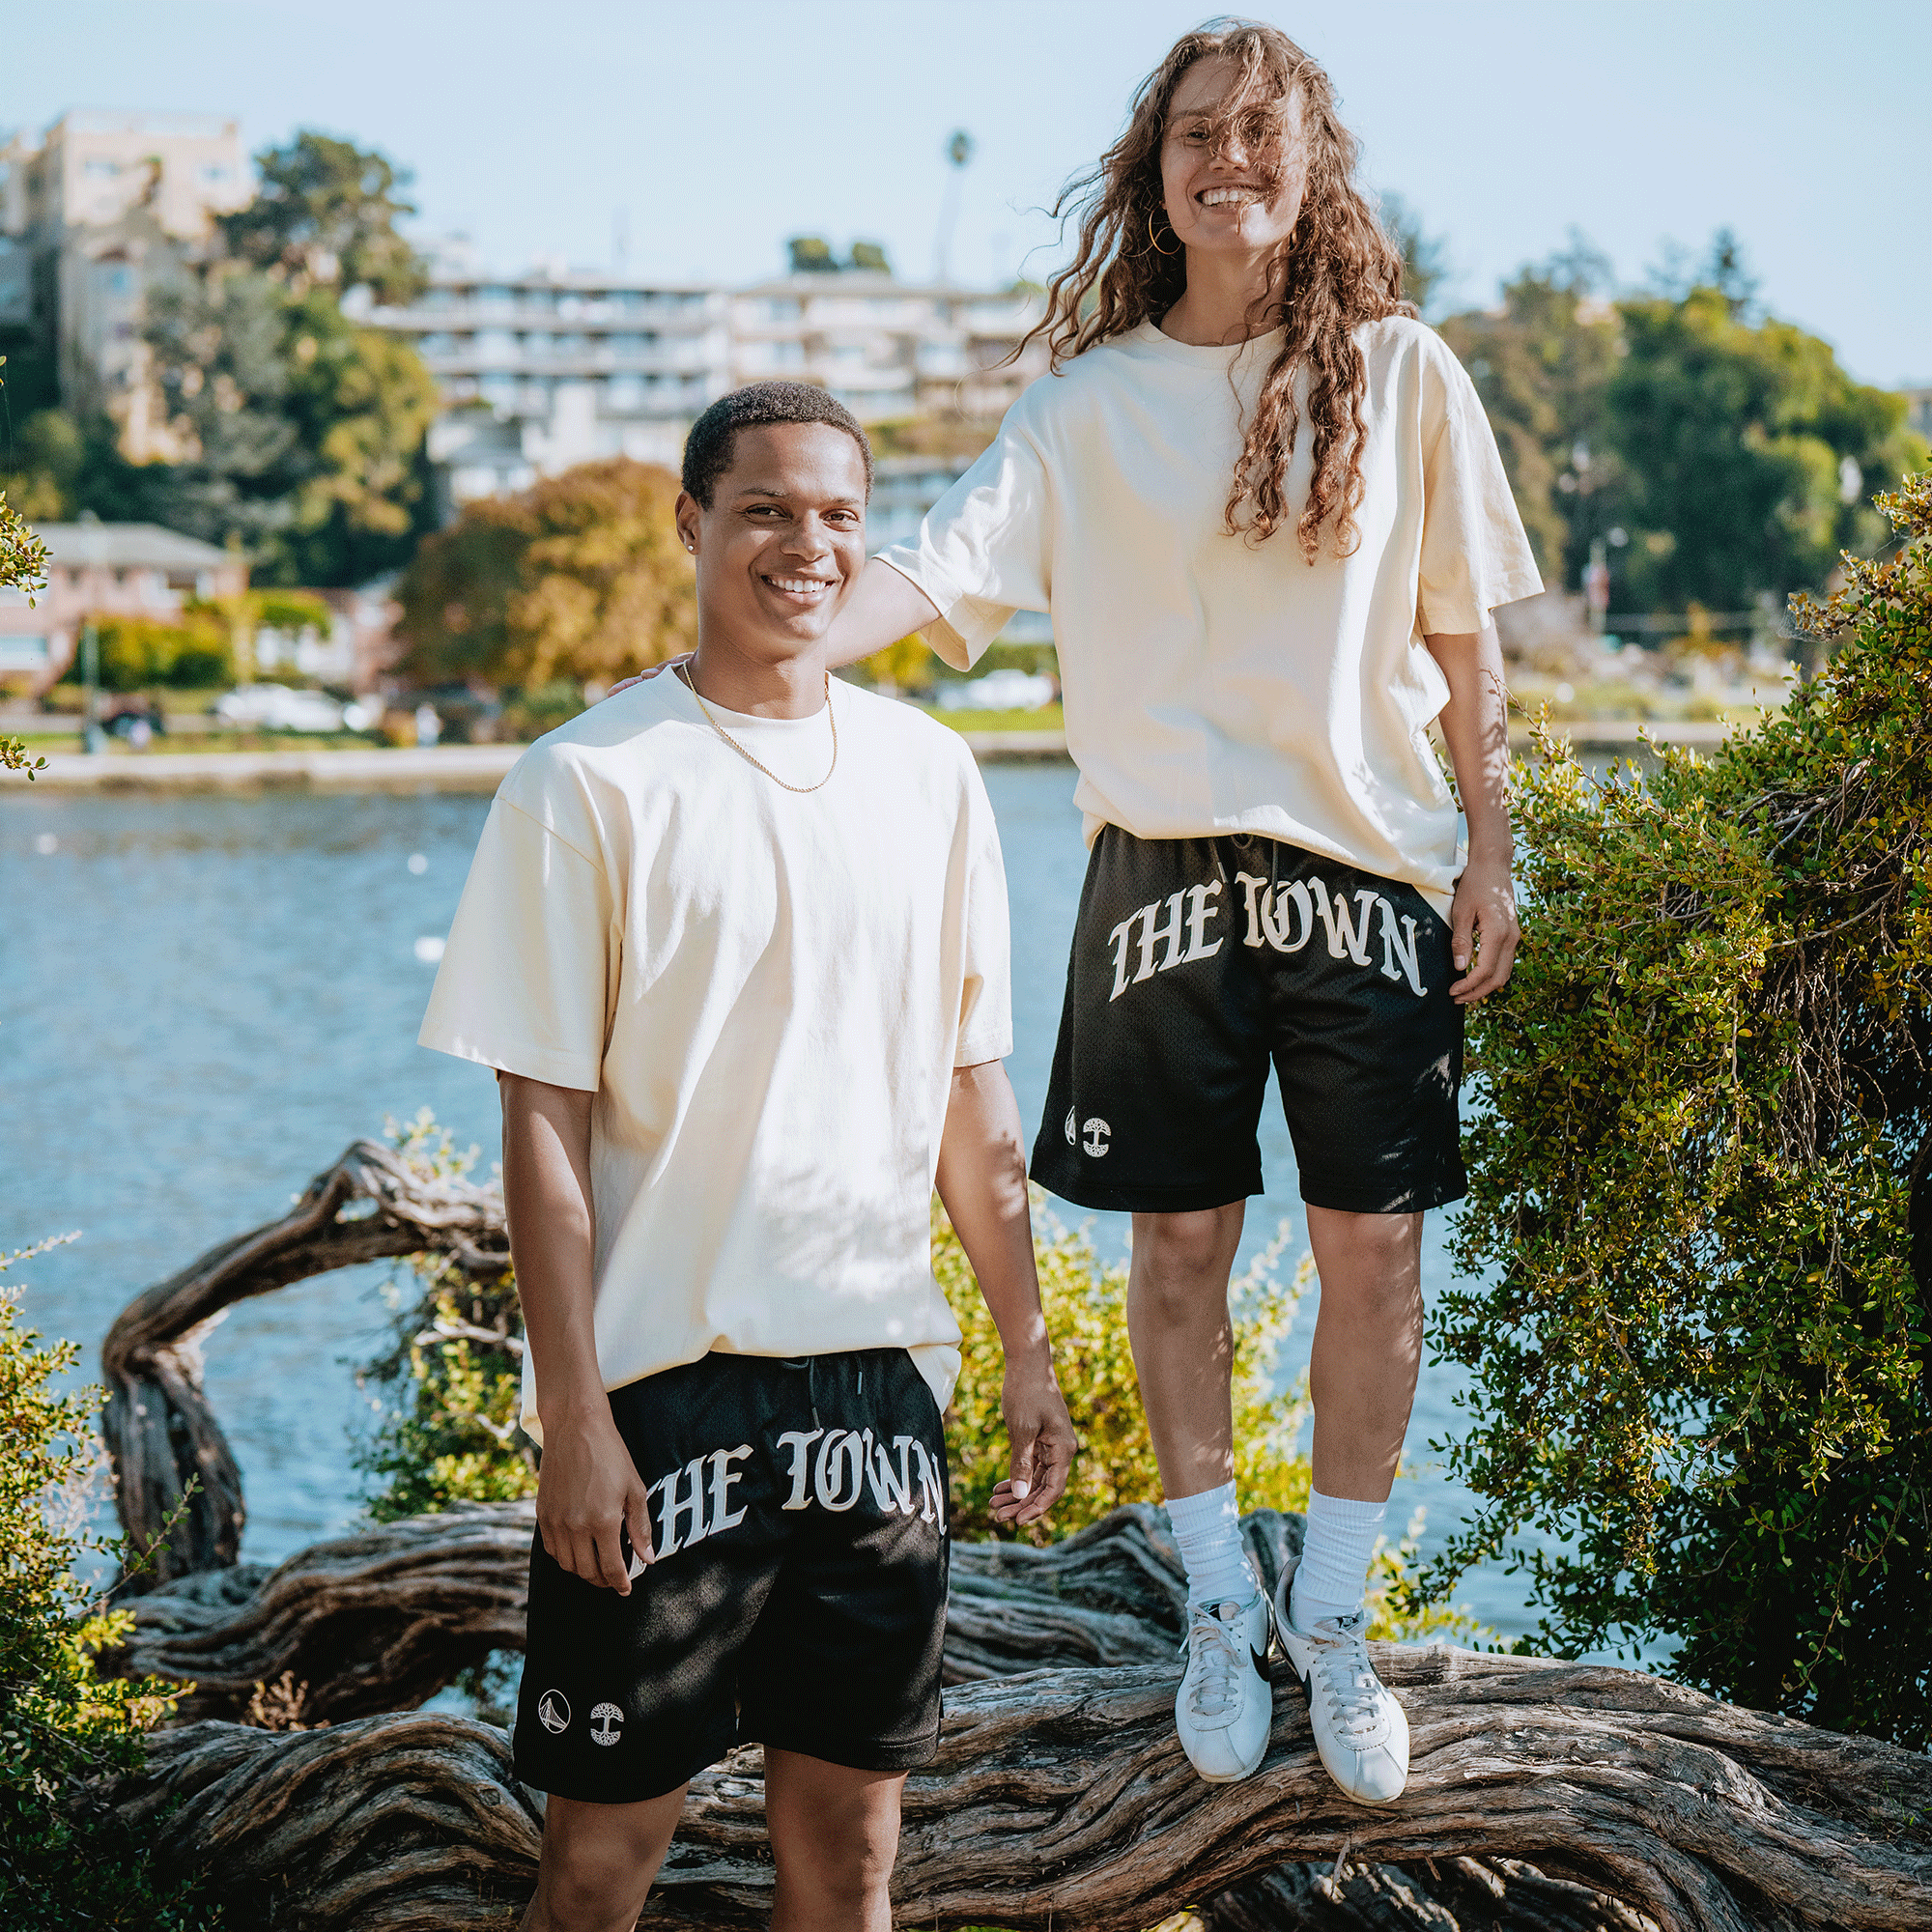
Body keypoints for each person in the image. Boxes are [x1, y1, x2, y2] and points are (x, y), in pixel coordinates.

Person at [615, 21, 1539, 1808]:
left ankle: (1331, 1626)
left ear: (1311, 166)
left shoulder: (1408, 374)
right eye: (1195, 135)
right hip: (1160, 879)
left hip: (1369, 874)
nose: (1225, 162)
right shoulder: (1083, 405)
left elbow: (1461, 641)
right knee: (1176, 1254)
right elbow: (929, 577)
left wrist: (1490, 846)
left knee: (1375, 1255)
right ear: (1156, 170)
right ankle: (1215, 1605)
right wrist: (760, 639)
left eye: (1258, 137)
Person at [421, 381, 1076, 1932]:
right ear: (695, 523)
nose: (809, 545)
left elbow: (967, 1093)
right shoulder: (586, 781)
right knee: (599, 1863)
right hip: (665, 1399)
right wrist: (570, 1411)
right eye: (770, 508)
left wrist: (1023, 1340)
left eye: (842, 515)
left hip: (873, 1392)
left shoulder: (931, 777)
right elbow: (542, 1128)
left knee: (850, 1858)